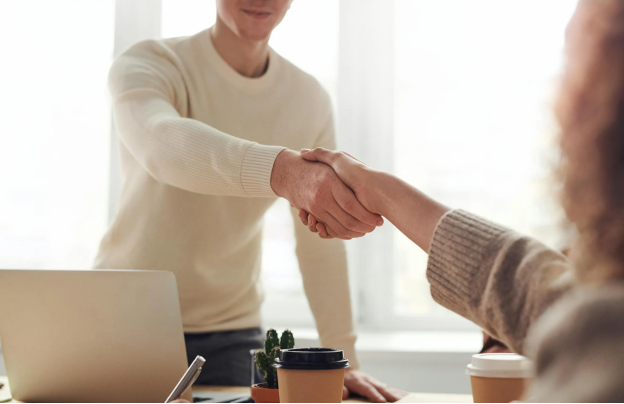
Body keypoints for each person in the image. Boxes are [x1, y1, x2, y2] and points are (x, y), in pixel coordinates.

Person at [297, 0, 624, 401]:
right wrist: (380, 191)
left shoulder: (604, 346)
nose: (558, 107)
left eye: (574, 74)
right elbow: (533, 289)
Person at [96, 0, 401, 401]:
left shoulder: (307, 99)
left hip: (230, 335)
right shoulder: (150, 62)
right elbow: (162, 145)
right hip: (122, 322)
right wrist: (283, 172)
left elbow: (319, 241)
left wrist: (343, 360)